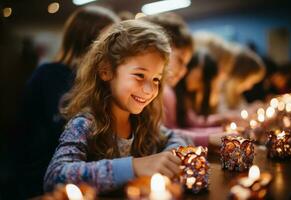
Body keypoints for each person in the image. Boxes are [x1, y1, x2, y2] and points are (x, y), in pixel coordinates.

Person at [43, 20, 188, 193]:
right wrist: (133, 167)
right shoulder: (85, 124)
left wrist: (168, 158)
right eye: (139, 75)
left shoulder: (143, 121)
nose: (150, 90)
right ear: (106, 70)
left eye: (156, 79)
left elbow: (176, 138)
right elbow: (55, 177)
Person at [11, 6, 120, 198]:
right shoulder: (49, 76)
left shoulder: (95, 78)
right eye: (109, 40)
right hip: (43, 182)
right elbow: (43, 141)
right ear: (87, 40)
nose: (116, 48)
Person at [139, 12, 193, 130]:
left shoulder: (167, 92)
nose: (183, 72)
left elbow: (168, 134)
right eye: (180, 60)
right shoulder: (154, 93)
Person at [217, 49, 266, 113]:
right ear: (241, 76)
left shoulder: (236, 95)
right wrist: (249, 111)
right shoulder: (219, 89)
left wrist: (252, 107)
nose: (250, 87)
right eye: (251, 81)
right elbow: (222, 114)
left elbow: (242, 109)